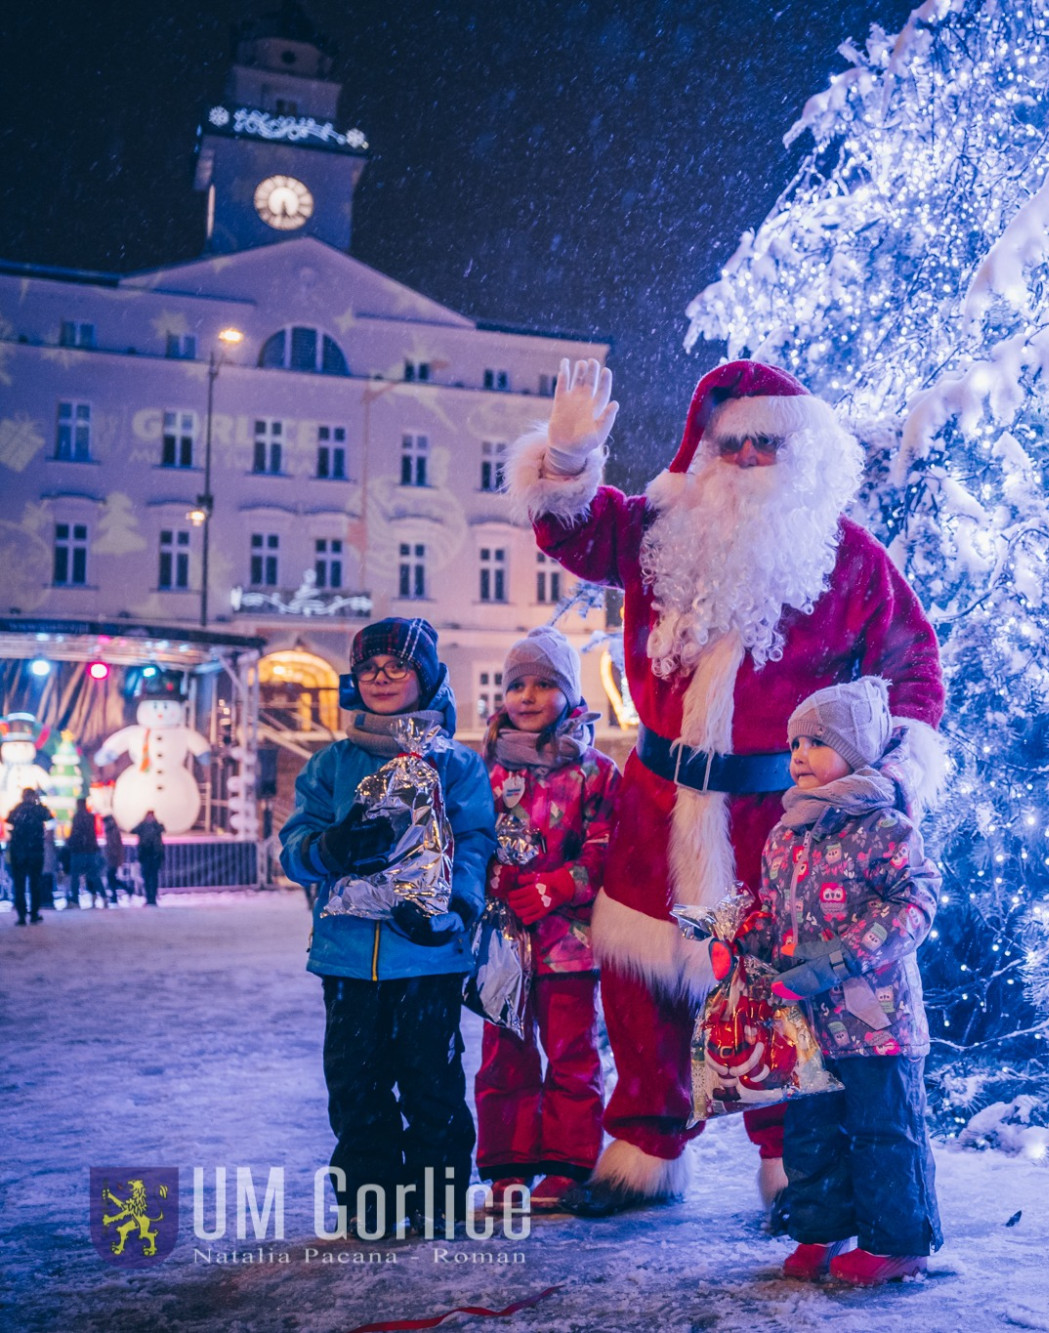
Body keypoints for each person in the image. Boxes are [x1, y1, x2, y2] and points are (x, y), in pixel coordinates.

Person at [507, 358, 947, 1215]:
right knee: (641, 991)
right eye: (730, 441)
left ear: (803, 452)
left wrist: (891, 768)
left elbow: (912, 666)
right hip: (656, 802)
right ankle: (642, 1150)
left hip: (774, 818)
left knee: (770, 991)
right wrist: (565, 456)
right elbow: (572, 531)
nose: (746, 458)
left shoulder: (848, 558)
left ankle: (792, 1170)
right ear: (703, 449)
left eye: (766, 442)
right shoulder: (660, 530)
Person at [717, 679, 943, 1285]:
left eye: (816, 741)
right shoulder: (785, 835)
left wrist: (843, 959)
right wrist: (740, 944)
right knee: (812, 1134)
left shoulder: (885, 826)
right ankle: (820, 1229)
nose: (797, 755)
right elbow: (771, 912)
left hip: (877, 1023)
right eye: (794, 742)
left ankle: (898, 1243)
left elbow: (914, 905)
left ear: (858, 748)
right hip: (809, 1026)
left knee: (883, 1133)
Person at [280, 617, 497, 1239]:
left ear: (424, 678)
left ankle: (438, 1197)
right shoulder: (329, 766)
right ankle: (369, 1201)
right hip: (348, 958)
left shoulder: (456, 767)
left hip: (427, 954)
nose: (380, 677)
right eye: (368, 667)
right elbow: (293, 848)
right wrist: (331, 846)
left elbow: (475, 842)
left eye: (396, 666)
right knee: (356, 1082)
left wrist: (455, 908)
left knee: (431, 1079)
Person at [476, 627, 616, 1213]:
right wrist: (497, 881)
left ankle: (568, 1163)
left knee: (571, 1053)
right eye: (516, 685)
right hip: (502, 945)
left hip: (569, 944)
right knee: (503, 1055)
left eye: (544, 684)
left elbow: (610, 848)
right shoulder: (481, 771)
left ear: (570, 694)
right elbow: (465, 844)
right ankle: (509, 1167)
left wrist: (561, 886)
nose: (527, 697)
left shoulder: (595, 772)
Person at [7, 788, 50, 925]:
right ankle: (34, 914)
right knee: (35, 884)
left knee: (19, 885)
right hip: (35, 852)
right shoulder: (37, 810)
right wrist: (39, 802)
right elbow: (48, 815)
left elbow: (10, 821)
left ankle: (21, 916)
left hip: (18, 852)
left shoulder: (18, 810)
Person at [65, 809, 107, 908]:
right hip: (89, 852)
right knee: (94, 876)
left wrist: (71, 844)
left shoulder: (77, 819)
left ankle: (75, 899)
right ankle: (103, 896)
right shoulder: (90, 819)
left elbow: (74, 835)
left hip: (79, 852)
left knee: (75, 877)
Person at [133, 811, 167, 907]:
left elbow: (133, 830)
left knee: (149, 877)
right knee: (151, 878)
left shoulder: (145, 827)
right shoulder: (155, 827)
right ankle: (151, 898)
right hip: (151, 856)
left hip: (148, 856)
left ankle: (150, 898)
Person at [102, 813, 124, 905]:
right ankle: (117, 894)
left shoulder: (111, 831)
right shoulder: (113, 830)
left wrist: (112, 855)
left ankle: (115, 895)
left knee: (110, 877)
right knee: (112, 877)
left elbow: (113, 845)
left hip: (112, 858)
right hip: (113, 857)